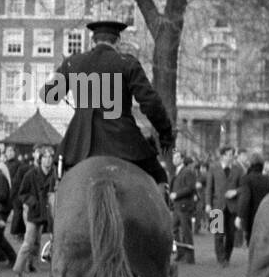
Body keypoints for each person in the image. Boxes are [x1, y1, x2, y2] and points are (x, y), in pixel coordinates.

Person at [43, 19, 174, 191]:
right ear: (118, 42)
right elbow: (150, 103)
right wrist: (165, 133)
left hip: (80, 144)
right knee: (159, 177)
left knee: (55, 187)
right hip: (124, 143)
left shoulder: (73, 63)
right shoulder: (127, 63)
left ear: (92, 41)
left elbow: (49, 95)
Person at [13, 146, 56, 277]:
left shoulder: (55, 175)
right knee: (28, 243)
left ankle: (34, 266)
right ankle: (18, 271)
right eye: (45, 157)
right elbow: (22, 194)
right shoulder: (30, 174)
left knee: (44, 242)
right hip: (35, 213)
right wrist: (34, 203)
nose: (48, 160)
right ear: (40, 159)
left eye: (50, 157)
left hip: (51, 213)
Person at [170, 150, 199, 264]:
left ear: (182, 159)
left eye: (177, 157)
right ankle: (180, 252)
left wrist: (177, 194)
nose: (174, 160)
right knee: (173, 230)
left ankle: (190, 257)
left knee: (186, 231)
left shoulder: (188, 172)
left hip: (184, 206)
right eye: (174, 158)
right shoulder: (176, 171)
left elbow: (190, 188)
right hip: (176, 206)